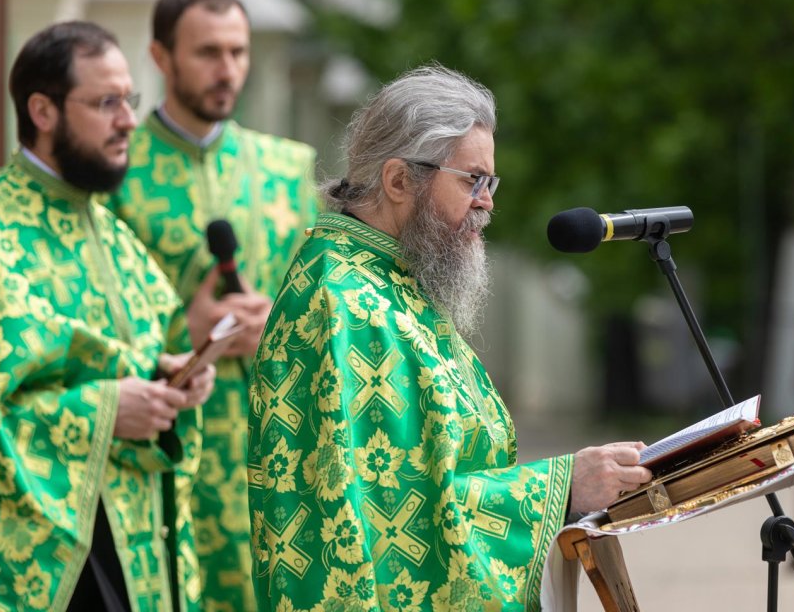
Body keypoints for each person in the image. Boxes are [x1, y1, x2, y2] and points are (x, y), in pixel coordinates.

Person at [247, 65, 652, 611]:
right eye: (472, 180)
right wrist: (562, 487)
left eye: (491, 183)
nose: (487, 202)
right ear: (397, 181)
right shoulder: (346, 305)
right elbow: (388, 527)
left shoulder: (386, 284)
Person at [0, 21, 228, 611]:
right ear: (42, 111)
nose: (128, 120)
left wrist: (172, 378)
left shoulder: (113, 234)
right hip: (48, 559)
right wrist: (105, 409)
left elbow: (142, 354)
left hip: (135, 535)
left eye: (130, 100)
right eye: (106, 103)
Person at [106, 0, 319, 611]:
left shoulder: (288, 168)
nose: (227, 70)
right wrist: (184, 328)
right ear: (161, 57)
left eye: (238, 51)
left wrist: (275, 326)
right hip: (163, 451)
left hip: (273, 449)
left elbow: (326, 308)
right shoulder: (116, 172)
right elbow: (86, 308)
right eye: (207, 52)